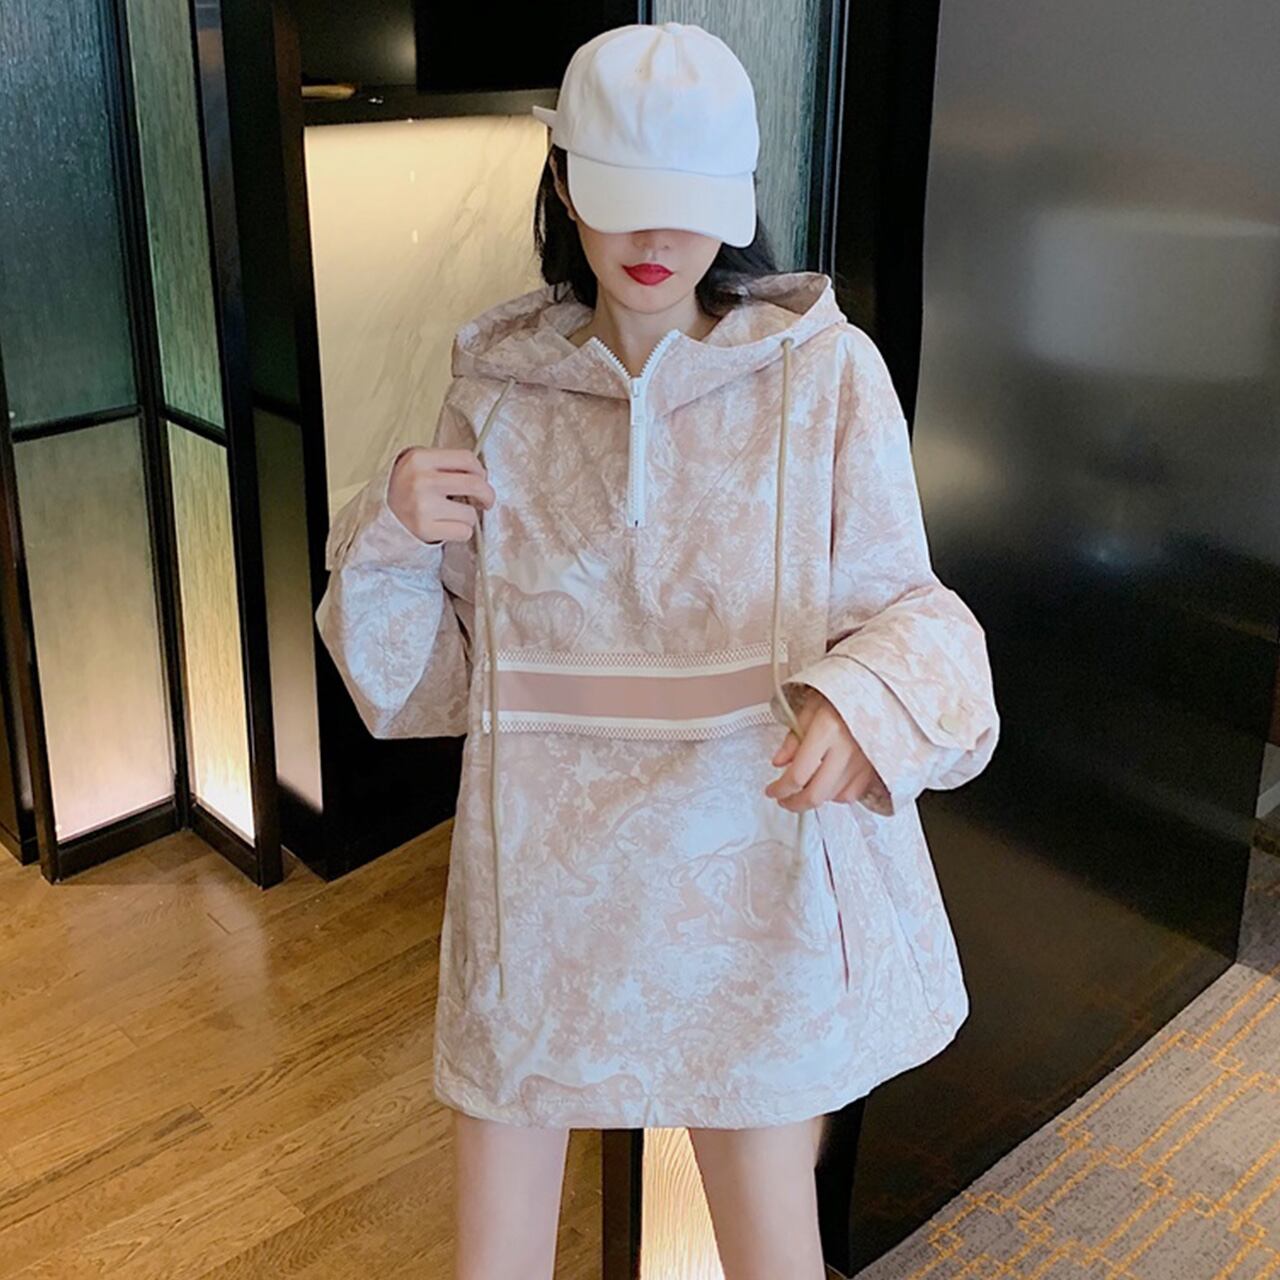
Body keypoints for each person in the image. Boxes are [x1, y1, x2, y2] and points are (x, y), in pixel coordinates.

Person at [315, 20, 999, 1280]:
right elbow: (429, 688)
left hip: (752, 874)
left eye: (687, 201)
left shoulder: (822, 376)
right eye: (622, 194)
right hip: (541, 888)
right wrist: (389, 529)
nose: (652, 237)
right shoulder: (496, 393)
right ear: (563, 181)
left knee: (769, 1242)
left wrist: (860, 702)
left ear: (736, 199)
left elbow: (915, 610)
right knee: (495, 1255)